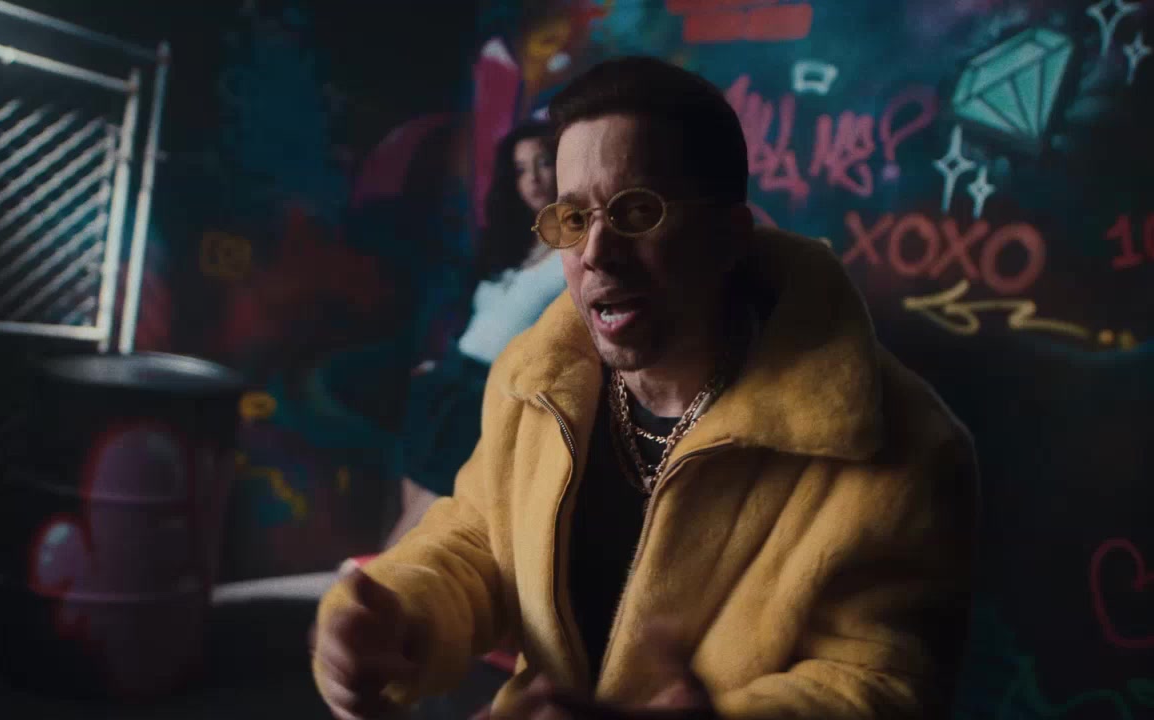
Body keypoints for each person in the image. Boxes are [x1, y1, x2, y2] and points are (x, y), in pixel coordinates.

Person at [313, 56, 979, 720]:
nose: (597, 252)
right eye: (573, 219)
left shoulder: (901, 445)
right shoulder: (535, 381)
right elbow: (479, 539)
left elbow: (879, 685)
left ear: (728, 237)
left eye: (637, 212)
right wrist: (396, 618)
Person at [386, 121, 566, 546]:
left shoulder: (576, 251)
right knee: (414, 506)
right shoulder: (513, 243)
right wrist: (436, 367)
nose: (533, 178)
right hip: (446, 381)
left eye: (543, 163)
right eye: (520, 169)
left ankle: (368, 579)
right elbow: (480, 319)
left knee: (424, 523)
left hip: (490, 392)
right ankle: (383, 578)